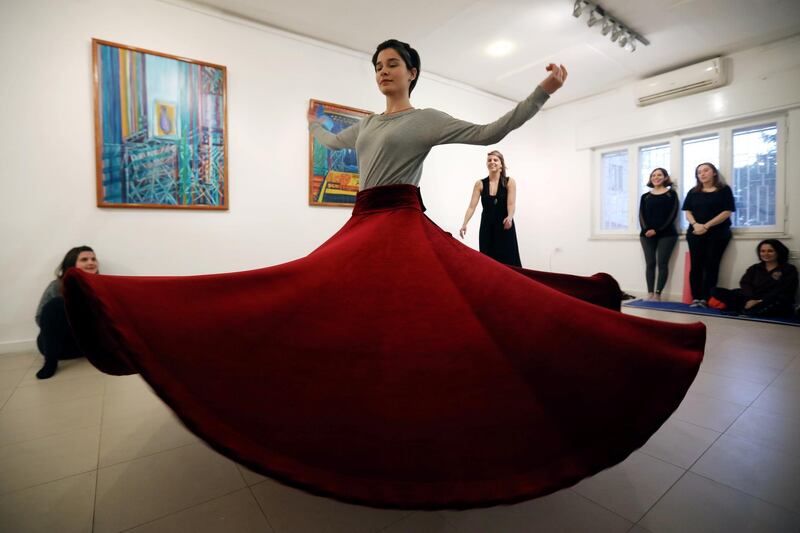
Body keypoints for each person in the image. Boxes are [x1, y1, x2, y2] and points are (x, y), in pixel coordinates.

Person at [62, 39, 705, 509]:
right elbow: (342, 145)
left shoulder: (424, 120)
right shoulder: (368, 122)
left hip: (401, 219)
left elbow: (492, 128)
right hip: (360, 221)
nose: (381, 71)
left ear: (412, 72)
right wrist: (318, 125)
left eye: (390, 63)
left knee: (450, 311)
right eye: (376, 65)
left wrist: (543, 93)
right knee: (304, 298)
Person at [35, 246, 98, 379]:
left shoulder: (101, 284)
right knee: (56, 304)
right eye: (84, 259)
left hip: (88, 345)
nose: (91, 262)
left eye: (93, 259)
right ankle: (50, 364)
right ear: (72, 264)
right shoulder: (56, 286)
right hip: (59, 345)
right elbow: (40, 317)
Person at [682, 162, 735, 307]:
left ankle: (706, 298)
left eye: (706, 170)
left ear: (714, 173)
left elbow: (727, 212)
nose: (702, 174)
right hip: (695, 232)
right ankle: (696, 298)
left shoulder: (724, 190)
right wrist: (695, 225)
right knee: (696, 266)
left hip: (718, 233)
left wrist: (706, 225)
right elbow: (687, 211)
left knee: (712, 265)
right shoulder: (693, 192)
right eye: (699, 172)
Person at [459, 150, 521, 266]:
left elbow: (511, 204)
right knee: (487, 263)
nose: (492, 162)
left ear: (501, 164)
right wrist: (464, 223)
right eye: (489, 160)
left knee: (510, 262)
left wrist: (510, 217)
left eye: (495, 160)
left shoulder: (509, 182)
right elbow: (472, 207)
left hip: (505, 227)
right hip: (487, 228)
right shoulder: (480, 184)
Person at [710, 240, 798, 317]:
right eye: (762, 251)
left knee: (779, 302)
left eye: (770, 251)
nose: (766, 254)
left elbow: (783, 290)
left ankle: (744, 309)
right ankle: (748, 309)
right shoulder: (755, 268)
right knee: (716, 291)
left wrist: (760, 301)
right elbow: (745, 283)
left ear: (778, 252)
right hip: (751, 297)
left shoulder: (789, 269)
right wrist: (751, 299)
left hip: (772, 300)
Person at [639, 168, 679, 300]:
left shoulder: (671, 195)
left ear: (665, 177)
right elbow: (641, 216)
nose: (656, 177)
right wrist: (646, 230)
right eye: (653, 175)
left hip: (667, 234)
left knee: (662, 263)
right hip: (646, 235)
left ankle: (657, 294)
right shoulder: (645, 197)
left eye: (659, 175)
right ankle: (649, 293)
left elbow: (672, 215)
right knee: (650, 263)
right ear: (651, 179)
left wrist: (657, 230)